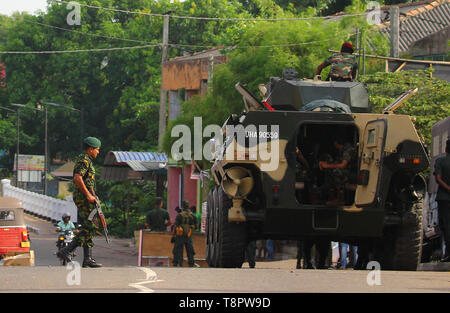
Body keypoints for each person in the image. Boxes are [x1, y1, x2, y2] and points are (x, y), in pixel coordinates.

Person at [57, 136, 103, 268]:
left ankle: (87, 258)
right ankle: (66, 250)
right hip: (83, 198)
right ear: (91, 149)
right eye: (97, 150)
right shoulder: (84, 161)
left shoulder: (87, 160)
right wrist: (88, 195)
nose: (98, 152)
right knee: (90, 227)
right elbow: (78, 178)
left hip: (87, 197)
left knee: (89, 226)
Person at [319, 138, 355, 205]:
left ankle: (340, 199)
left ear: (336, 143)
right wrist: (325, 163)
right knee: (331, 170)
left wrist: (328, 166)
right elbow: (337, 162)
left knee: (336, 172)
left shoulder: (348, 150)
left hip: (352, 172)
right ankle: (331, 194)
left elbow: (342, 165)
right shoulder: (342, 150)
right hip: (347, 171)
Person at [435, 139, 450, 262]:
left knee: (445, 225)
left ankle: (448, 253)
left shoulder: (440, 161)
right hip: (444, 198)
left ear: (446, 149)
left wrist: (447, 188)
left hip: (444, 198)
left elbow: (438, 178)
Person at [172, 200, 197, 267]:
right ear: (188, 206)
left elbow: (175, 226)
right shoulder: (193, 216)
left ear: (182, 206)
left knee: (178, 250)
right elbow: (196, 226)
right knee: (190, 250)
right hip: (189, 235)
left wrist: (173, 236)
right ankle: (191, 263)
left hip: (180, 235)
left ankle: (177, 263)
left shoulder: (179, 215)